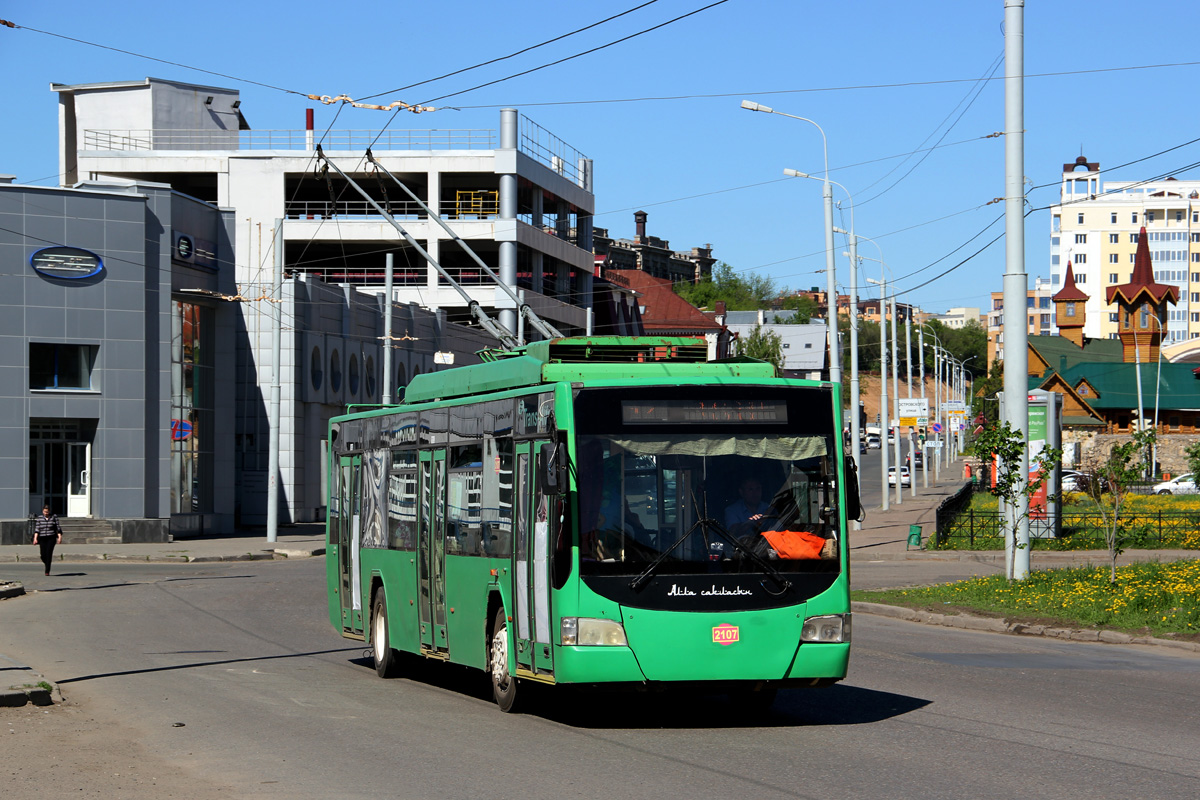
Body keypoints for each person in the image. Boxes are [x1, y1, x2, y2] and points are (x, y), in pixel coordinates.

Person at [32, 504, 62, 576]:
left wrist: (59, 537)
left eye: (47, 512)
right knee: (43, 554)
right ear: (42, 511)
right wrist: (35, 539)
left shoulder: (53, 517)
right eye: (45, 512)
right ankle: (47, 562)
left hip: (51, 537)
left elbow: (58, 528)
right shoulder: (39, 518)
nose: (46, 513)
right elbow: (37, 529)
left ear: (49, 511)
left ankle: (47, 570)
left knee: (49, 553)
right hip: (42, 538)